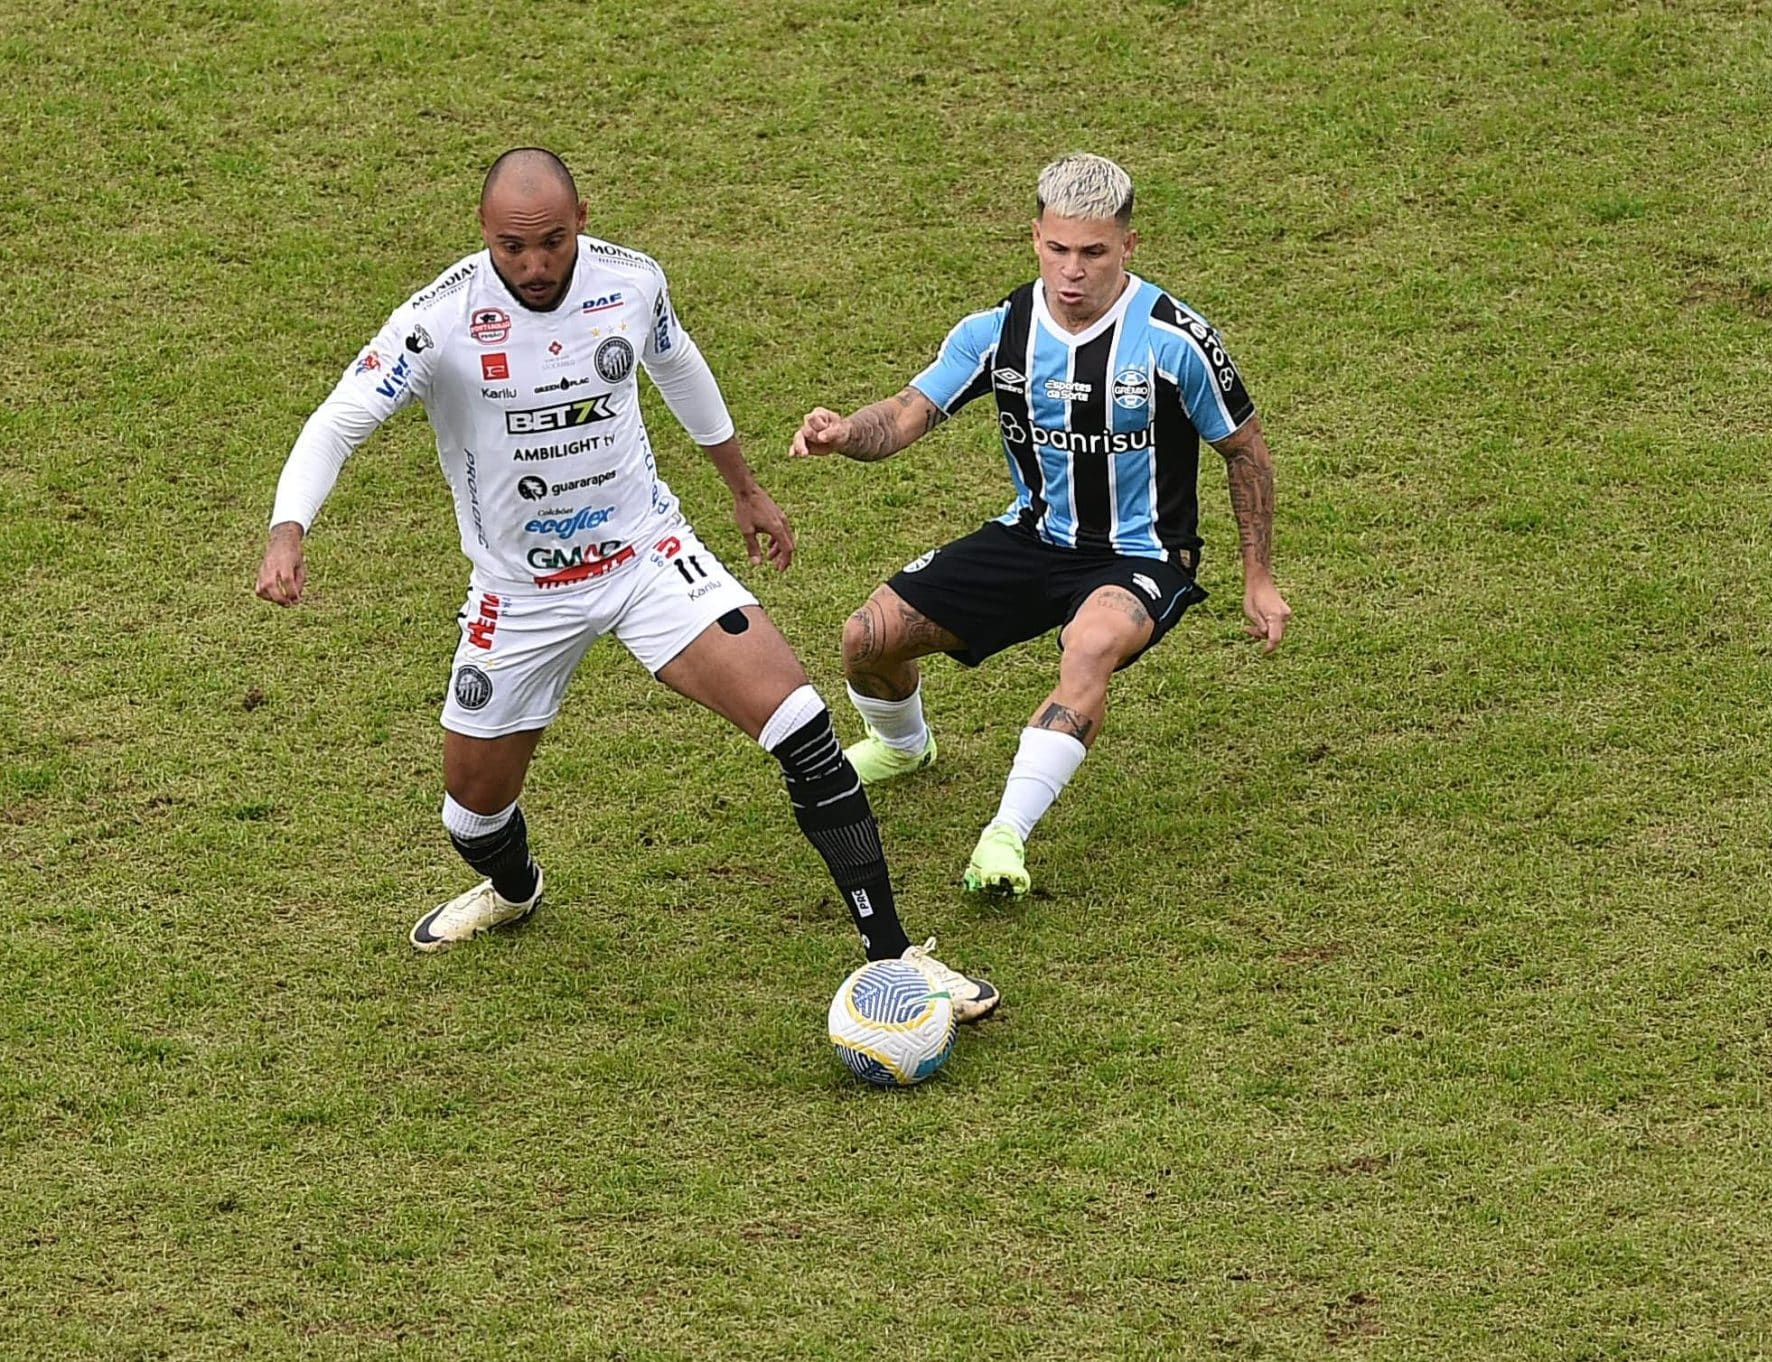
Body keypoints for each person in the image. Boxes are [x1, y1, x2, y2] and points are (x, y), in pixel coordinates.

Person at [255, 147, 995, 1019]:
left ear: (583, 220)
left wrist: (745, 488)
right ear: (483, 235)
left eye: (554, 242)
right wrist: (288, 527)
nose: (535, 266)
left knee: (802, 727)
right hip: (520, 594)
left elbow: (678, 367)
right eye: (513, 247)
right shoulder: (438, 321)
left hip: (646, 557)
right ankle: (515, 889)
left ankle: (896, 956)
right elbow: (341, 418)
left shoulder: (631, 283)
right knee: (472, 816)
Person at [789, 152, 1291, 896]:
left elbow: (1244, 451)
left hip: (1143, 554)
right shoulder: (998, 332)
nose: (1073, 270)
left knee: (1089, 645)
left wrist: (1258, 576)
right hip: (1034, 536)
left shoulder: (1174, 339)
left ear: (1128, 246)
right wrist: (841, 433)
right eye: (1058, 249)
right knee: (866, 638)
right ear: (1035, 239)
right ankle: (902, 748)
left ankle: (1004, 838)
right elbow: (904, 416)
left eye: (1093, 251)